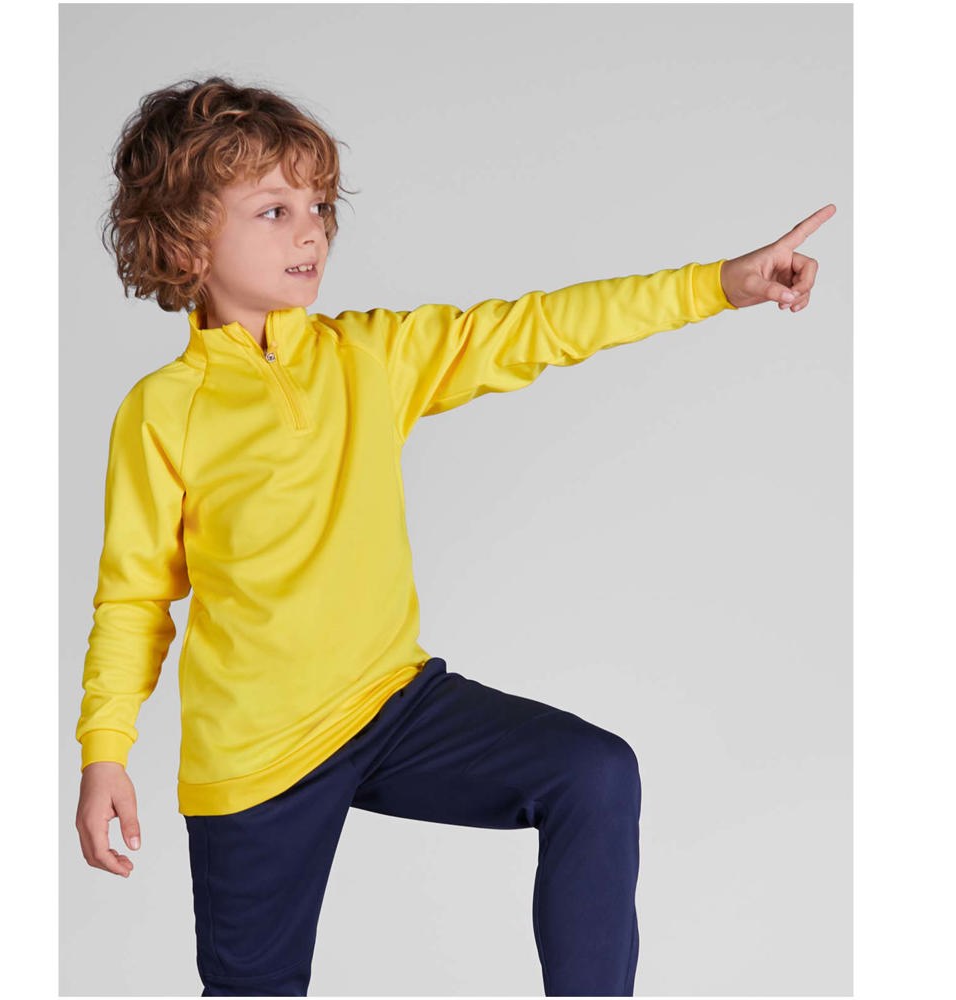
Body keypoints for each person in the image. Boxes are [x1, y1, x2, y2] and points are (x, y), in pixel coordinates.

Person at [73, 75, 834, 997]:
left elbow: (539, 327)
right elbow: (135, 596)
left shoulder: (370, 358)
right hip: (256, 756)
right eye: (274, 210)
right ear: (187, 239)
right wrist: (105, 750)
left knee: (593, 775)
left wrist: (719, 285)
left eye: (319, 206)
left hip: (392, 704)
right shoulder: (165, 411)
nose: (311, 232)